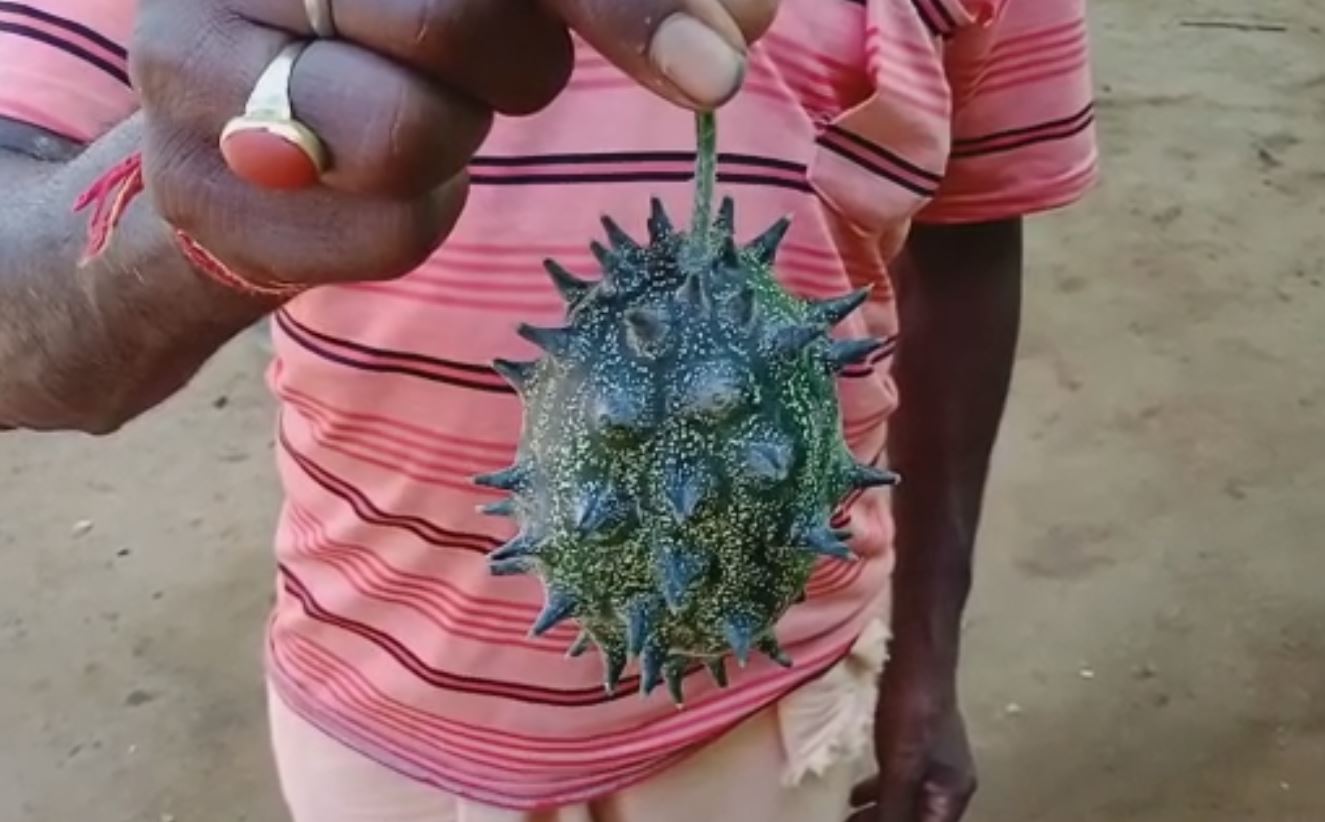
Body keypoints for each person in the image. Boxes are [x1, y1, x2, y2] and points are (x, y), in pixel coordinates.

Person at [0, 0, 1096, 819]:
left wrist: (927, 658)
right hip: (375, 705)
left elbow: (966, 240)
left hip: (770, 707)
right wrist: (184, 229)